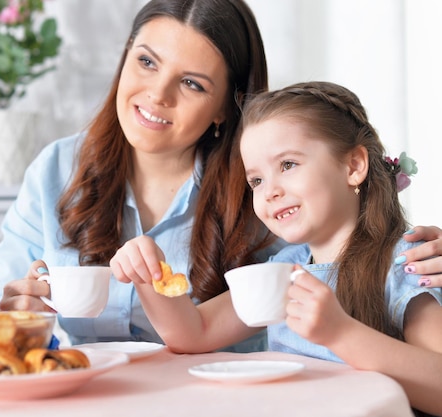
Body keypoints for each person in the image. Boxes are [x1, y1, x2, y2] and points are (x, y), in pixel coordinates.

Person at [0, 0, 442, 349]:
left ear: (227, 107)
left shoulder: (264, 203)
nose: (158, 94)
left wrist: (407, 246)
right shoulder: (55, 170)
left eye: (192, 83)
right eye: (147, 61)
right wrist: (10, 310)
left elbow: (343, 249)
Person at [111, 81, 442, 416]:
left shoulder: (407, 263)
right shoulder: (286, 269)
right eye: (256, 180)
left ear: (353, 166)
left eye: (287, 165)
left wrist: (341, 333)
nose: (269, 192)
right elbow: (195, 332)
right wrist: (149, 275)